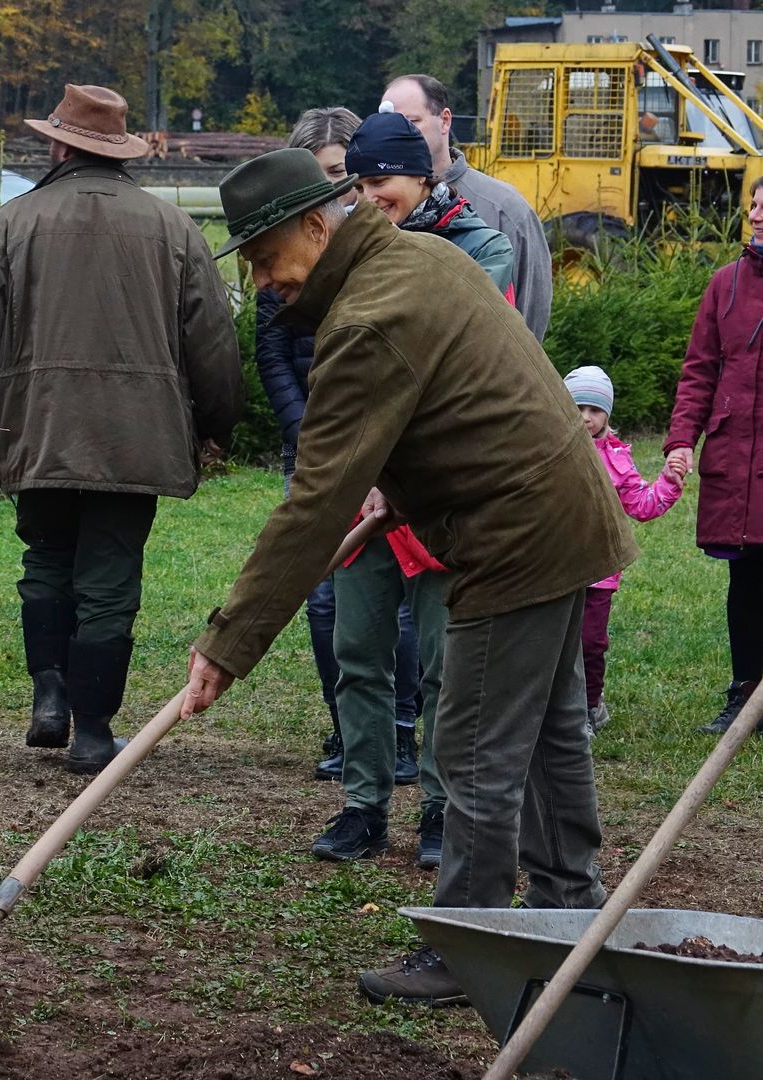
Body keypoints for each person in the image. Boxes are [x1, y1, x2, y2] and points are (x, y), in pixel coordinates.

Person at [182, 147, 635, 1005]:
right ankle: (571, 911)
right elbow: (473, 396)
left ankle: (469, 945)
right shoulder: (422, 254)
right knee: (547, 732)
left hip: (518, 535)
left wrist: (228, 641)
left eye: (266, 260)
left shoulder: (367, 320)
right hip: (560, 511)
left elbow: (315, 500)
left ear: (316, 228)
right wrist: (405, 485)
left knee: (472, 747)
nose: (264, 283)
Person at [0, 84, 244, 774]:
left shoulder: (15, 222)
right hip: (137, 438)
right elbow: (214, 345)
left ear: (57, 144)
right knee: (109, 580)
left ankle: (49, 696)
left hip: (34, 427)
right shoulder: (174, 229)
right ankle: (95, 731)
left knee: (45, 559)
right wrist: (216, 425)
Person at [307, 109, 516, 868]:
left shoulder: (481, 249)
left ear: (423, 176)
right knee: (359, 650)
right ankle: (364, 804)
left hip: (437, 491)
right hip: (363, 489)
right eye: (358, 184)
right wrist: (354, 473)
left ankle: (438, 811)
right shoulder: (347, 260)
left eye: (383, 180)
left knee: (440, 665)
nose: (370, 196)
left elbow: (426, 364)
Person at [254, 105, 367, 785]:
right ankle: (345, 722)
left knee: (392, 595)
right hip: (315, 441)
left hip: (376, 443)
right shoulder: (284, 262)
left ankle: (398, 725)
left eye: (347, 176)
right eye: (326, 175)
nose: (340, 190)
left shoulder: (377, 253)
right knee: (323, 595)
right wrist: (304, 429)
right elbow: (272, 349)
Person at [665, 176, 763, 735]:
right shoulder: (724, 284)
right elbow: (699, 371)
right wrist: (681, 441)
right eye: (752, 203)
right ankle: (744, 694)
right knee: (747, 580)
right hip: (736, 458)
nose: (754, 213)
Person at [382, 73, 551, 340]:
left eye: (412, 123)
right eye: (389, 126)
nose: (399, 136)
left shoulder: (505, 209)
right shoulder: (372, 208)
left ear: (445, 120)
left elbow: (531, 312)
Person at [565, 366, 686, 737]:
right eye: (578, 407)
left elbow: (643, 505)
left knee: (590, 644)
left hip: (598, 571)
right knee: (549, 646)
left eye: (595, 410)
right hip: (553, 567)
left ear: (607, 415)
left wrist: (668, 481)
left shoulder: (616, 458)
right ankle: (552, 710)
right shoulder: (546, 451)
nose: (586, 417)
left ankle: (588, 708)